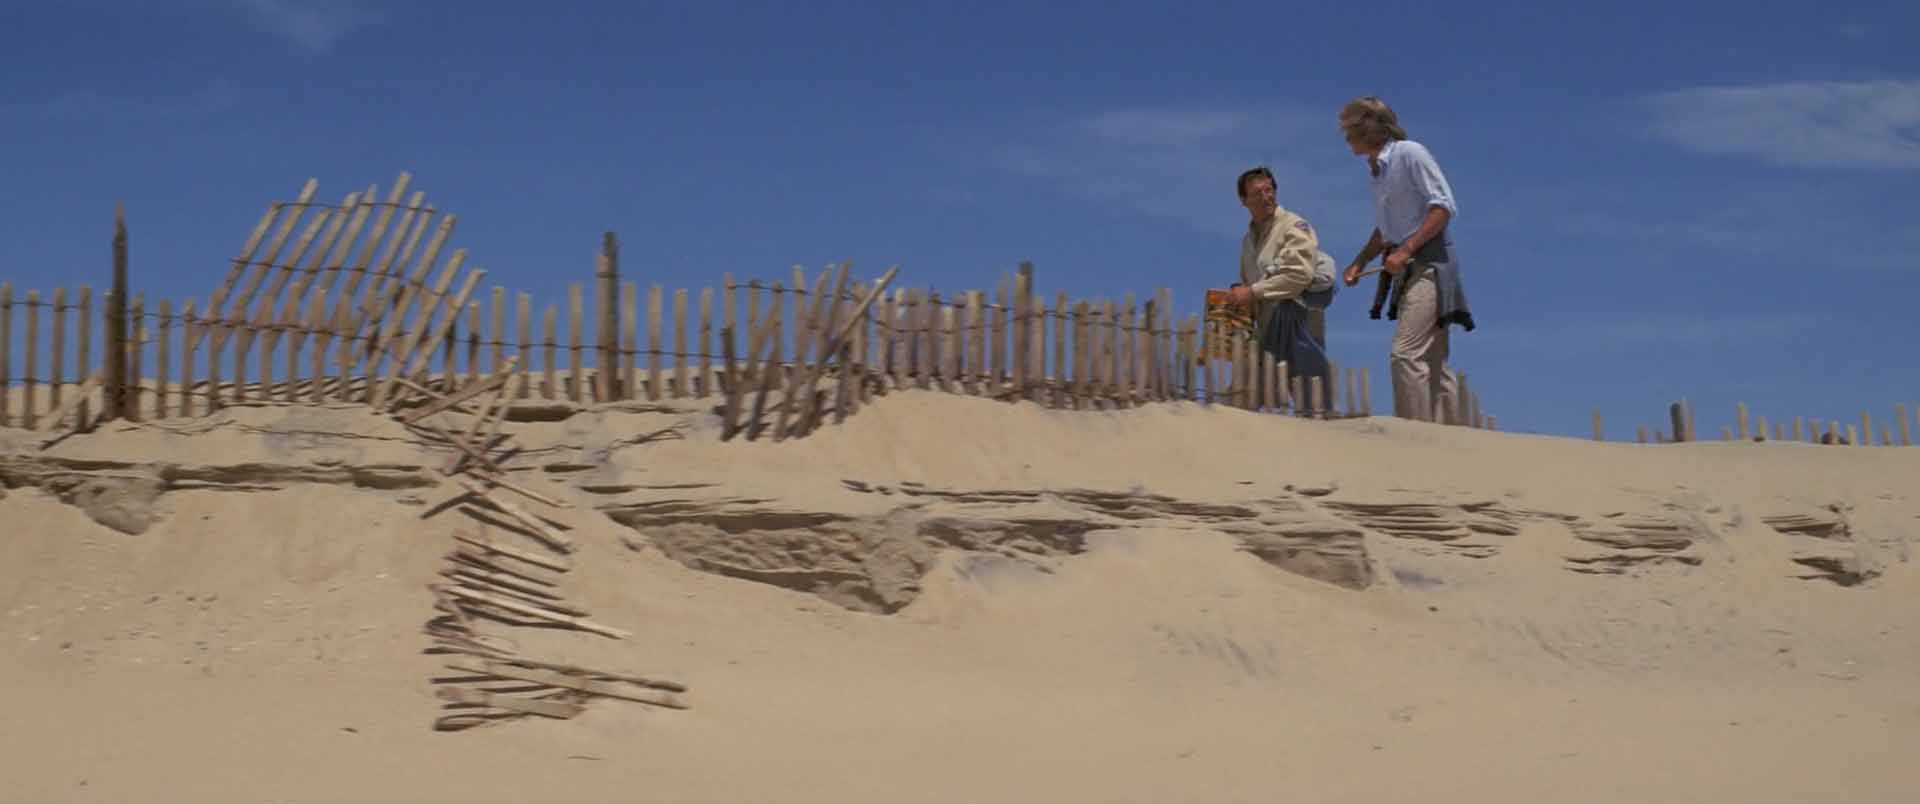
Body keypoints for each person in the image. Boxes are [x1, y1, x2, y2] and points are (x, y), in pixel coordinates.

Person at [1336, 96, 1475, 423]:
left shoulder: (1410, 153)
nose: (1346, 138)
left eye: (1349, 130)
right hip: (1407, 268)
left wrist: (1405, 250)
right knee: (1433, 362)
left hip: (1431, 266)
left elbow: (1443, 207)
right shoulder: (1376, 172)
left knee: (1405, 353)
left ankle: (1414, 436)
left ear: (1367, 129)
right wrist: (1360, 261)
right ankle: (1461, 439)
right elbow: (1386, 230)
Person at [1223, 166, 1333, 404]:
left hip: (1297, 324)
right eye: (1257, 193)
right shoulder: (1248, 241)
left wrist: (1252, 291)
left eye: (1269, 190)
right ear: (1244, 200)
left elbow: (1298, 275)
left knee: (1311, 402)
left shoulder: (1293, 226)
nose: (1266, 197)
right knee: (1244, 396)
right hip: (1266, 331)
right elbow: (1249, 285)